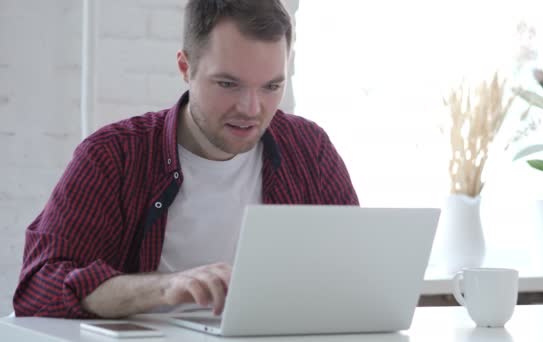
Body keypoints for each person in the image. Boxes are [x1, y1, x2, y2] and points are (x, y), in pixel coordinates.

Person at [13, 0, 358, 319]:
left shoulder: (309, 149)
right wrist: (165, 287)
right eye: (228, 84)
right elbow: (38, 287)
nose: (251, 109)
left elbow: (356, 270)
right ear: (185, 67)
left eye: (271, 87)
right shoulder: (113, 156)